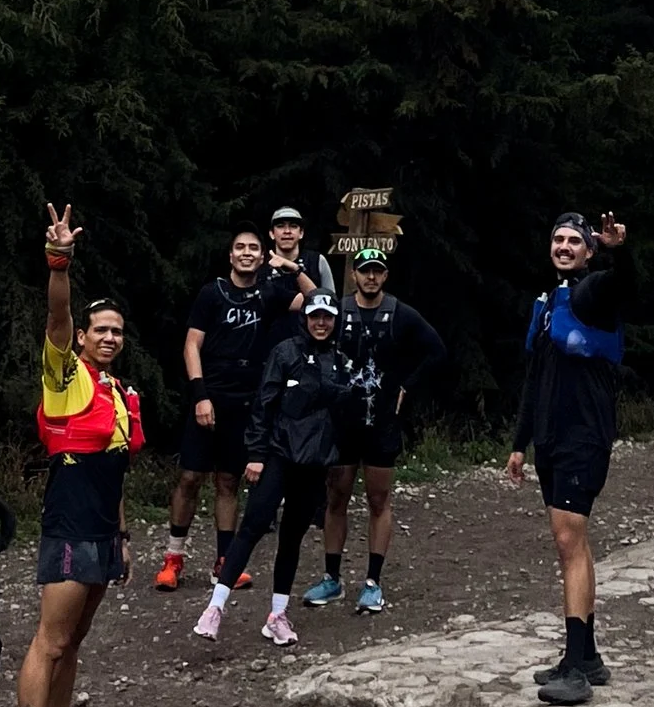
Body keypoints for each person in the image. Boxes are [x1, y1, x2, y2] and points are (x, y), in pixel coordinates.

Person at [13, 200, 141, 707]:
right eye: (102, 331)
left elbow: (115, 473)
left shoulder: (121, 394)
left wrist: (122, 536)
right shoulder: (66, 375)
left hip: (100, 526)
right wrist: (59, 262)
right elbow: (57, 313)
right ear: (85, 339)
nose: (110, 338)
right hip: (66, 521)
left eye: (118, 331)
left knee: (76, 640)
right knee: (51, 640)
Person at [505, 208, 630, 707]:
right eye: (557, 239)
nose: (563, 247)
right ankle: (587, 657)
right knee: (568, 545)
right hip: (551, 440)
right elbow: (534, 379)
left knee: (568, 539)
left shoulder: (594, 291)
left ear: (589, 249)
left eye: (574, 241)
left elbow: (628, 282)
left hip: (585, 435)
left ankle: (575, 669)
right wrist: (519, 443)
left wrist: (620, 250)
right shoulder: (547, 302)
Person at [193, 280, 353, 645]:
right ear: (306, 318)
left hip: (314, 464)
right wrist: (256, 454)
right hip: (279, 455)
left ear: (335, 321)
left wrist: (338, 457)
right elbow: (263, 406)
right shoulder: (285, 353)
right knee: (251, 528)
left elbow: (345, 417)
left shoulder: (343, 361)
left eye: (328, 317)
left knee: (292, 539)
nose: (321, 324)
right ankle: (215, 607)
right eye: (315, 316)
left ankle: (277, 615)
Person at [155, 228, 300, 594]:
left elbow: (318, 301)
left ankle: (225, 562)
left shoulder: (269, 293)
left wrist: (289, 266)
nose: (247, 253)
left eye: (253, 248)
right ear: (230, 255)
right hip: (210, 395)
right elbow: (191, 344)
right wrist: (199, 393)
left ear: (261, 254)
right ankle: (173, 557)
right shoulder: (212, 293)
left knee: (228, 481)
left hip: (246, 401)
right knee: (190, 477)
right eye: (240, 247)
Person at [306, 241, 446, 611]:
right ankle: (331, 578)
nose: (370, 276)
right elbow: (313, 343)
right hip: (343, 422)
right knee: (336, 498)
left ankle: (373, 581)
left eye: (377, 271)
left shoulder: (400, 313)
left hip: (382, 422)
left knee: (378, 500)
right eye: (364, 270)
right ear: (353, 274)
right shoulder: (340, 311)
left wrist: (408, 387)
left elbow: (436, 350)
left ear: (385, 275)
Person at [264, 201, 337, 307]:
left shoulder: (317, 261)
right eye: (280, 226)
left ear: (301, 233)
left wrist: (295, 268)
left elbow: (331, 303)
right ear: (271, 233)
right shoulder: (262, 264)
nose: (287, 231)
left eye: (293, 226)